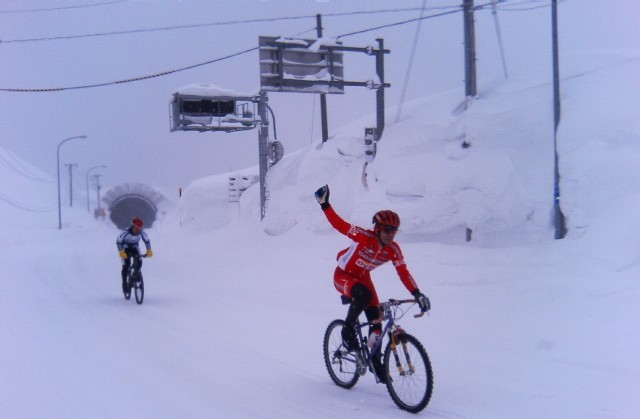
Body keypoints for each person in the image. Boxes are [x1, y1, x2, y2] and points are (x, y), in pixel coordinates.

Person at [315, 184, 430, 384]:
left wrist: (417, 293)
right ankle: (347, 329)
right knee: (364, 295)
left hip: (363, 277)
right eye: (387, 230)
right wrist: (325, 205)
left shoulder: (393, 249)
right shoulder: (363, 236)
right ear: (377, 229)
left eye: (394, 231)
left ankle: (376, 362)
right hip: (343, 275)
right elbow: (340, 225)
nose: (390, 234)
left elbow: (403, 272)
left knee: (376, 321)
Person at [116, 217, 153, 293]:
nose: (138, 230)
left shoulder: (142, 233)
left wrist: (149, 250)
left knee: (139, 262)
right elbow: (119, 242)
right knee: (126, 265)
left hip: (134, 247)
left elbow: (147, 241)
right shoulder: (125, 232)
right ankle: (125, 283)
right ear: (133, 226)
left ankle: (135, 275)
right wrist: (121, 251)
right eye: (137, 228)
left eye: (140, 228)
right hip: (125, 248)